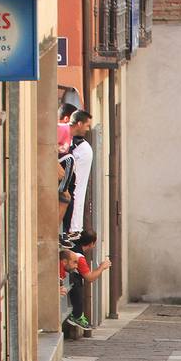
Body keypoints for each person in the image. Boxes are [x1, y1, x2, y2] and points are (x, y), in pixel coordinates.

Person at [65, 230, 111, 330]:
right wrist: (102, 267)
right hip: (67, 282)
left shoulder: (72, 245)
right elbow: (89, 277)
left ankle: (77, 315)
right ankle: (76, 316)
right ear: (91, 243)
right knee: (77, 281)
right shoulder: (79, 257)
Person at [62, 110, 93, 240]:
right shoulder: (65, 134)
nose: (88, 129)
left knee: (69, 193)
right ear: (79, 123)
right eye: (87, 126)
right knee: (69, 192)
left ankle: (69, 229)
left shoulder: (80, 146)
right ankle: (69, 229)